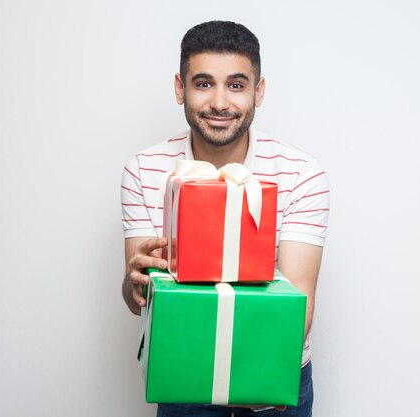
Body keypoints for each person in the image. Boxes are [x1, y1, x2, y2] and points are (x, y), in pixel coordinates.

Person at [121, 21, 329, 417]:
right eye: (203, 84)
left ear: (258, 91)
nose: (220, 102)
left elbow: (298, 302)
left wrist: (251, 377)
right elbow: (139, 300)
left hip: (274, 372)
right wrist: (136, 286)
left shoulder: (302, 173)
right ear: (180, 87)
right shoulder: (144, 170)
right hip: (184, 373)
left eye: (236, 85)